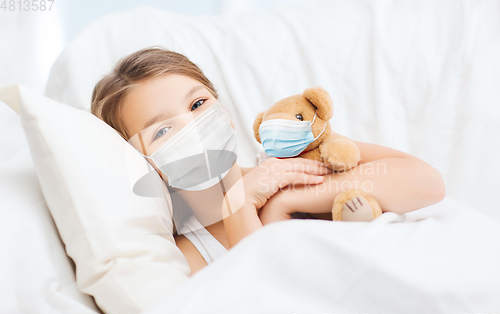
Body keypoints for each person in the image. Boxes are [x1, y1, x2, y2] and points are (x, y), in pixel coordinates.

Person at [91, 47, 446, 275]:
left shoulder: (291, 160)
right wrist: (240, 205)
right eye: (162, 131)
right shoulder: (188, 256)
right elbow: (269, 294)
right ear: (141, 162)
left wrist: (291, 199)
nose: (194, 127)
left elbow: (428, 183)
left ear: (224, 110)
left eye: (198, 104)